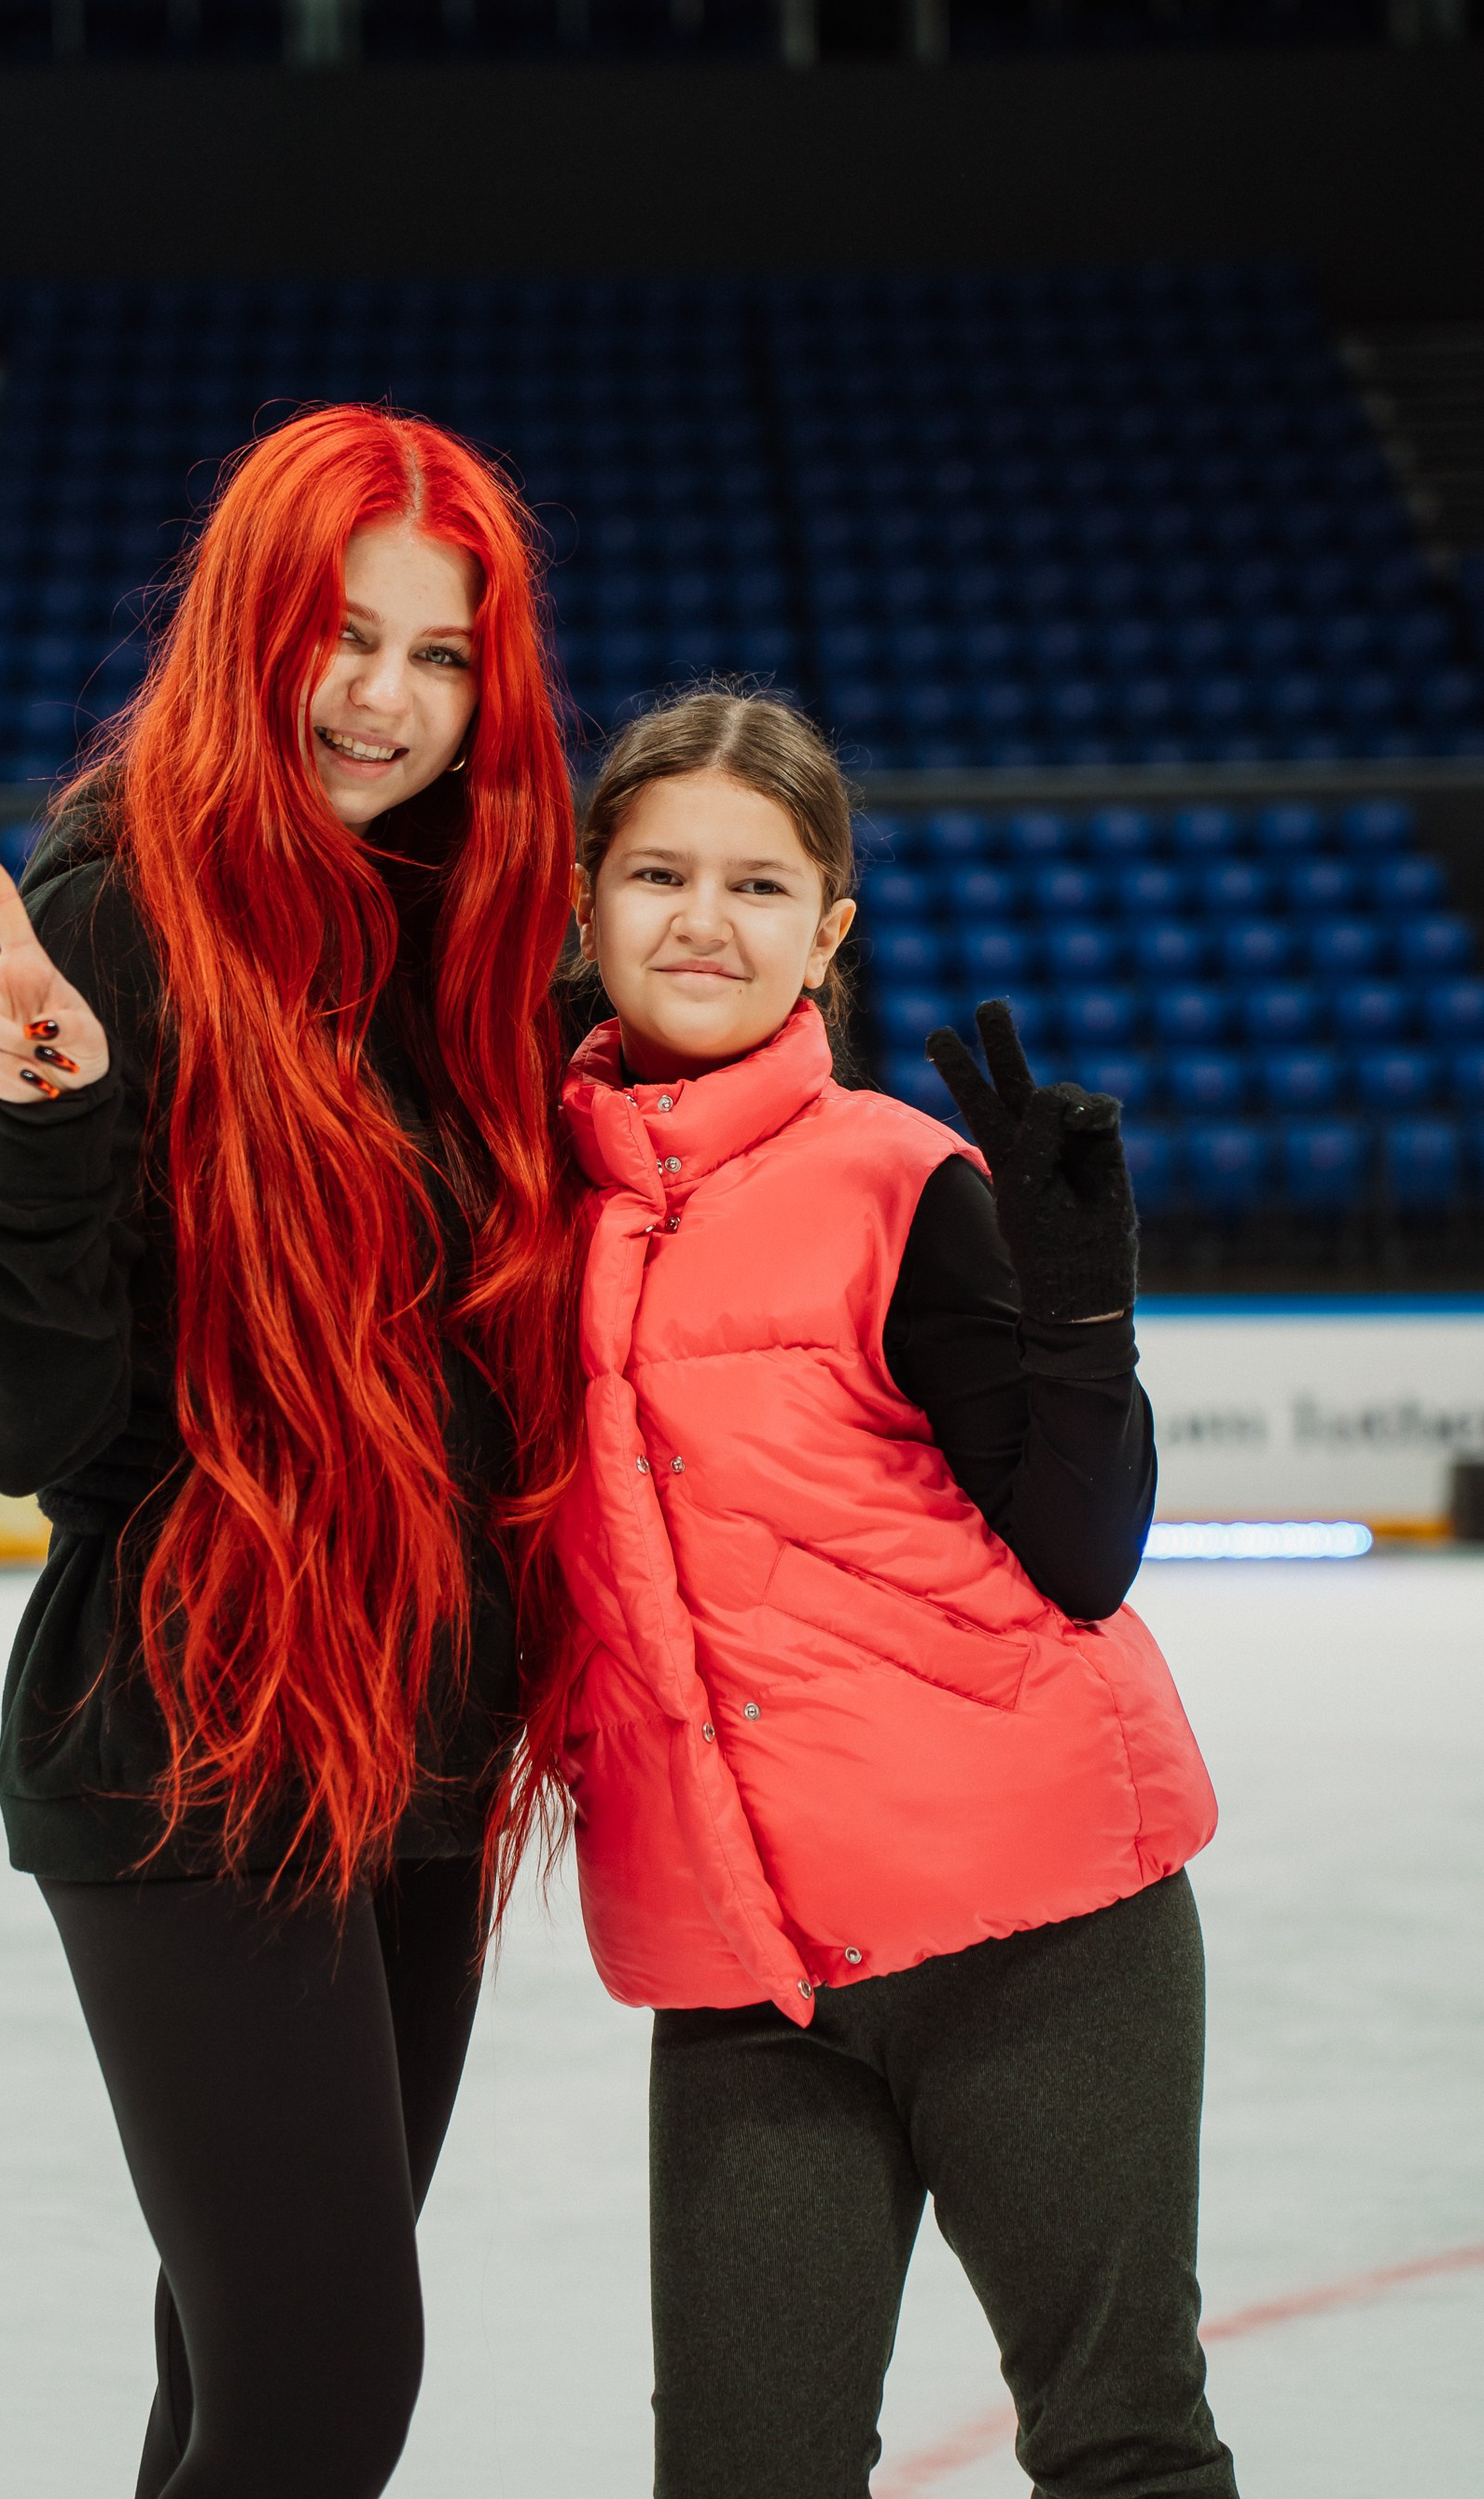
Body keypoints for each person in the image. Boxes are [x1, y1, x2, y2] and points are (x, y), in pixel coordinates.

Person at [0, 406, 582, 2499]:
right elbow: (14, 1427)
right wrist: (41, 1127)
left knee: (245, 2390)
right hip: (190, 1728)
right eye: (342, 636)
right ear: (252, 626)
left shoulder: (475, 929)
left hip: (417, 1729)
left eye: (440, 658)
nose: (382, 698)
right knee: (327, 2384)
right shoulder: (118, 912)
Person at [551, 687, 1236, 2499]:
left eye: (759, 886)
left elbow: (1081, 1557)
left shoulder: (895, 1177)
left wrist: (1079, 1308)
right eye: (658, 873)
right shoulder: (527, 1206)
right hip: (744, 1965)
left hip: (1038, 1926)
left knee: (1118, 2445)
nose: (706, 919)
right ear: (586, 902)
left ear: (826, 933)